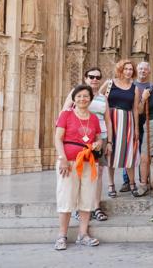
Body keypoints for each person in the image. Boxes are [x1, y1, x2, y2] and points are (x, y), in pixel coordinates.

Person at [54, 85, 103, 250]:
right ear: (74, 98)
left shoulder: (94, 118)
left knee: (87, 198)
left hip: (89, 162)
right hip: (69, 162)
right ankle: (62, 236)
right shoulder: (66, 115)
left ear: (90, 99)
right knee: (66, 197)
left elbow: (99, 138)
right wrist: (62, 159)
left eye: (86, 96)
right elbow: (58, 138)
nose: (83, 99)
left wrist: (98, 144)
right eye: (79, 96)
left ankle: (83, 234)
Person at [61, 68, 113, 221]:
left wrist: (108, 141)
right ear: (85, 78)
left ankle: (96, 207)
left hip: (99, 139)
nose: (94, 80)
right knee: (79, 172)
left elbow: (108, 120)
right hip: (79, 140)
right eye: (91, 77)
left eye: (98, 77)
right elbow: (64, 112)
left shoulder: (103, 98)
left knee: (98, 173)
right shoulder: (77, 93)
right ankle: (80, 208)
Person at [99, 60, 140, 198]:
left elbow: (135, 109)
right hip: (110, 120)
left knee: (128, 153)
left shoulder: (135, 88)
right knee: (110, 153)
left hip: (127, 121)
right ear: (120, 70)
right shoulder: (110, 83)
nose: (128, 71)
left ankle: (133, 184)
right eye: (126, 69)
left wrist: (136, 129)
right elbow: (97, 98)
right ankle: (111, 184)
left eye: (130, 69)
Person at [120, 62, 151, 195]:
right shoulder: (131, 86)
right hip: (131, 120)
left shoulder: (152, 87)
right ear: (136, 71)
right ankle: (127, 181)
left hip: (147, 120)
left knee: (145, 151)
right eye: (140, 68)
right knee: (129, 150)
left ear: (149, 71)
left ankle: (144, 180)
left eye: (145, 69)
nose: (143, 71)